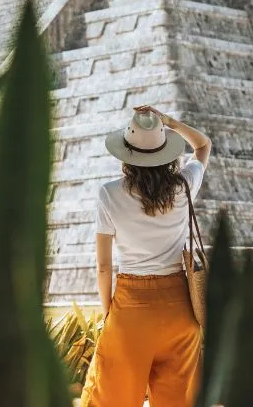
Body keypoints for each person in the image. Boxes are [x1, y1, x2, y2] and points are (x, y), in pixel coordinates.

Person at [80, 105, 212, 407]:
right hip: (180, 311)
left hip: (130, 311)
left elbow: (103, 266)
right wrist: (168, 122)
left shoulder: (109, 193)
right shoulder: (184, 186)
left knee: (110, 399)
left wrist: (109, 312)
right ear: (166, 151)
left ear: (126, 154)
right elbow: (203, 145)